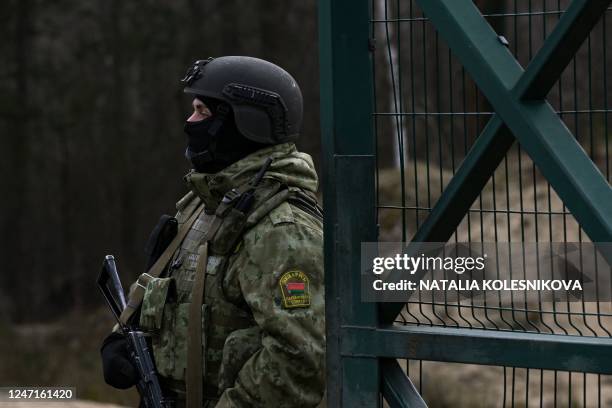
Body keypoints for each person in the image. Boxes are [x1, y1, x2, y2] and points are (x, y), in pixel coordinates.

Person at [100, 56, 325, 408]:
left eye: (202, 111)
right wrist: (121, 340)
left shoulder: (282, 230)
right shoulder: (203, 204)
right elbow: (168, 293)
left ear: (243, 122)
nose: (190, 122)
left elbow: (299, 364)